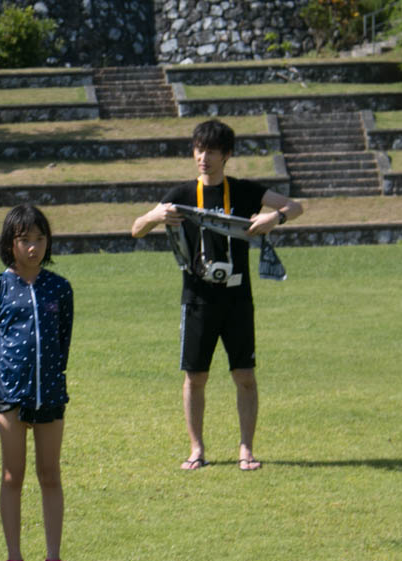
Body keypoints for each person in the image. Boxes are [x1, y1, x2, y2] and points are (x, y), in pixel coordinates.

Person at [130, 119, 303, 471]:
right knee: (195, 377)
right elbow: (136, 230)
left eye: (210, 150)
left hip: (238, 299)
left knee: (244, 375)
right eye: (198, 149)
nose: (202, 157)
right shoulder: (179, 195)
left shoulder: (242, 191)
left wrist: (275, 218)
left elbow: (295, 206)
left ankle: (246, 450)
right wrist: (153, 215)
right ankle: (196, 450)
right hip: (196, 299)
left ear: (226, 155)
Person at [0, 204, 74, 561]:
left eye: (39, 239)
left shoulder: (59, 288)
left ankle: (54, 560)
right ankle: (14, 560)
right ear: (10, 243)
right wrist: (6, 380)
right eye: (24, 240)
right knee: (11, 477)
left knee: (50, 475)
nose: (32, 247)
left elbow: (62, 341)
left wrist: (46, 376)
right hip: (11, 397)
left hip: (50, 393)